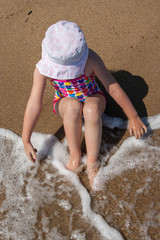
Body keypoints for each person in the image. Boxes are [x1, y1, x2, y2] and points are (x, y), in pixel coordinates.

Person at [22, 20, 147, 187]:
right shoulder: (42, 69)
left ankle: (92, 162)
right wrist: (26, 139)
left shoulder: (91, 59)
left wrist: (133, 116)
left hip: (93, 96)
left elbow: (112, 88)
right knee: (73, 107)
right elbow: (34, 104)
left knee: (91, 109)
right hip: (64, 102)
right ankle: (74, 155)